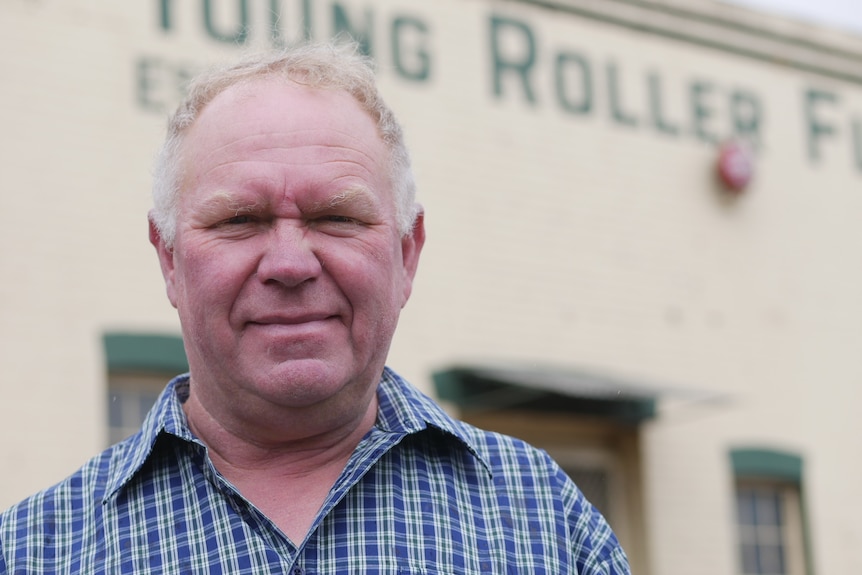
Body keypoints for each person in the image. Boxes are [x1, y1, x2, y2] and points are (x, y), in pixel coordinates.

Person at [0, 41, 631, 574]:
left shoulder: (545, 520)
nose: (291, 263)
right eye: (239, 219)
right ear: (169, 259)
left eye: (336, 217)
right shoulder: (34, 551)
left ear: (406, 254)